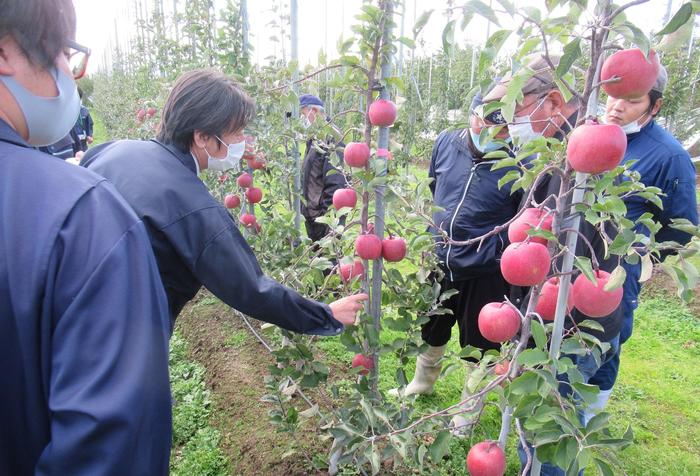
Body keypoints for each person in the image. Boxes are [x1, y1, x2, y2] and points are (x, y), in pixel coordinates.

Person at [0, 1, 172, 474]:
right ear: (5, 52)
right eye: (62, 54)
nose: (68, 75)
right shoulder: (82, 216)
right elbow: (110, 447)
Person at [82, 70, 367, 335]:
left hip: (72, 313)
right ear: (203, 136)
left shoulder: (110, 151)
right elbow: (251, 289)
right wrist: (326, 314)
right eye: (237, 131)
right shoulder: (195, 207)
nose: (243, 139)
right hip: (121, 341)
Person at [485, 55, 623, 476]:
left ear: (553, 102)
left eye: (514, 109)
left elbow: (560, 261)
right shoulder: (565, 156)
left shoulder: (580, 161)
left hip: (573, 328)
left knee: (551, 438)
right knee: (549, 423)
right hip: (569, 319)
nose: (506, 124)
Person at [393, 91, 524, 433]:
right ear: (472, 115)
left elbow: (521, 218)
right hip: (440, 259)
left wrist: (498, 256)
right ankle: (422, 384)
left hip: (485, 270)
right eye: (486, 122)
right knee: (432, 328)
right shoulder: (446, 143)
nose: (493, 133)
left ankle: (466, 414)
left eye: (503, 128)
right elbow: (437, 187)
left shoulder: (518, 164)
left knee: (479, 344)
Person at [587, 65, 698, 414]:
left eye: (631, 100)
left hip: (616, 275)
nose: (616, 106)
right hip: (570, 267)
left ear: (655, 105)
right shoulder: (589, 135)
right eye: (612, 95)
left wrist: (639, 251)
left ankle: (584, 423)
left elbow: (682, 228)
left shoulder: (668, 156)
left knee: (604, 347)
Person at [299, 93, 347, 242]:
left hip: (324, 220)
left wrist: (327, 218)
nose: (302, 120)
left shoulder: (331, 138)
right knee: (317, 261)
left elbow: (337, 182)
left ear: (313, 111)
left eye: (303, 114)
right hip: (313, 216)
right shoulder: (315, 138)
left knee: (329, 261)